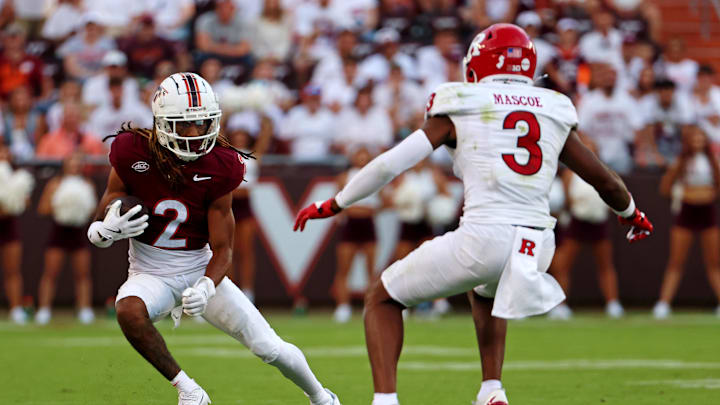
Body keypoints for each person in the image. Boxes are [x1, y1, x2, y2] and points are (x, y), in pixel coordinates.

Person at [294, 24, 654, 405]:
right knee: (486, 289)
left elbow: (391, 164)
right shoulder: (553, 106)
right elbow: (606, 181)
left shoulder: (461, 102)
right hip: (537, 243)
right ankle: (491, 389)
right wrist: (632, 213)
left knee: (382, 298)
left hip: (485, 235)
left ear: (478, 63)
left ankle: (385, 401)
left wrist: (335, 203)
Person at [87, 72, 340, 405]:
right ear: (161, 123)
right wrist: (102, 231)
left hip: (198, 268)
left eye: (203, 123)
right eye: (184, 125)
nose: (195, 134)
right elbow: (110, 203)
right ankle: (189, 391)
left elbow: (223, 248)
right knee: (129, 311)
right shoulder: (132, 150)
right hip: (149, 272)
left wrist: (207, 286)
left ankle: (321, 397)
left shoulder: (221, 165)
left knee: (269, 347)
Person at [548, 139, 625, 320]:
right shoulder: (569, 175)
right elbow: (568, 200)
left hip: (599, 223)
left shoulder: (604, 172)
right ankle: (560, 305)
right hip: (577, 222)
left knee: (605, 264)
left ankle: (613, 304)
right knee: (563, 265)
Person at [653, 127, 720, 319]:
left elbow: (718, 185)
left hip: (707, 213)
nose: (698, 140)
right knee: (676, 261)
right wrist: (684, 193)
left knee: (714, 262)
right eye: (694, 137)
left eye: (701, 136)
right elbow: (665, 188)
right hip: (686, 212)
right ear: (688, 141)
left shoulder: (712, 161)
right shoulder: (681, 161)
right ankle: (663, 304)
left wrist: (708, 194)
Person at [35, 153, 97, 324]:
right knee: (50, 273)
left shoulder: (87, 184)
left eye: (78, 163)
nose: (74, 167)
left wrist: (79, 207)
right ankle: (44, 310)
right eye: (71, 163)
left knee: (83, 274)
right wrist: (62, 206)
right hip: (59, 233)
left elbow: (93, 211)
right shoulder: (55, 184)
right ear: (65, 166)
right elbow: (43, 208)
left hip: (79, 233)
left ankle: (85, 310)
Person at [226, 112, 273, 303]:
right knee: (226, 250)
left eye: (243, 134)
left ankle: (247, 291)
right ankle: (228, 289)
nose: (239, 137)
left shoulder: (253, 157)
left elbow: (266, 134)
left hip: (244, 207)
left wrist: (258, 108)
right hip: (227, 207)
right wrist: (229, 111)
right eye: (236, 134)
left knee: (246, 251)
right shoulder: (226, 154)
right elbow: (217, 133)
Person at [333, 146, 380, 323]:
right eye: (359, 154)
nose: (361, 157)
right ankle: (343, 307)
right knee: (344, 268)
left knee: (371, 270)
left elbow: (386, 201)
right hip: (350, 226)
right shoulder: (344, 177)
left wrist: (374, 210)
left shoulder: (376, 176)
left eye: (365, 154)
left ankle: (370, 306)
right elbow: (335, 202)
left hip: (368, 225)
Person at [0, 143, 28, 324]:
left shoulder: (18, 178)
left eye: (5, 151)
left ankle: (16, 309)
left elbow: (24, 203)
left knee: (13, 270)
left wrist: (12, 204)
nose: (3, 154)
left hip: (9, 228)